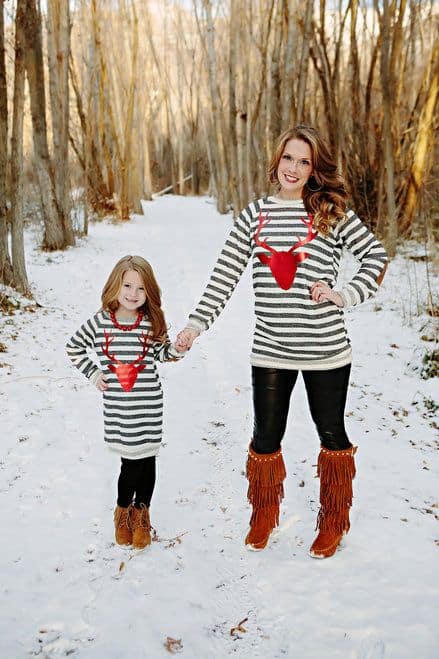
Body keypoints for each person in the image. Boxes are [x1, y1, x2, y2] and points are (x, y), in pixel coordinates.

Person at [176, 125, 387, 558]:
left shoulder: (330, 212)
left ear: (315, 169)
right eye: (288, 158)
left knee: (331, 434)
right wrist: (196, 325)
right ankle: (264, 513)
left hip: (326, 350)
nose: (294, 168)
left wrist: (343, 294)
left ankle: (333, 519)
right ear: (277, 162)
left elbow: (376, 257)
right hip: (271, 348)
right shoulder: (254, 216)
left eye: (304, 161)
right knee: (265, 436)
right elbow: (224, 275)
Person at [66, 255, 186, 550]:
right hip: (120, 408)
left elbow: (161, 354)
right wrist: (94, 374)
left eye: (141, 289)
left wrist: (177, 349)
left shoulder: (150, 321)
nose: (133, 294)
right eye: (127, 286)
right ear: (115, 286)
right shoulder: (101, 322)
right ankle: (122, 510)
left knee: (147, 458)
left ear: (150, 293)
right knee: (129, 461)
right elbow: (74, 347)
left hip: (149, 404)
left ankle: (141, 512)